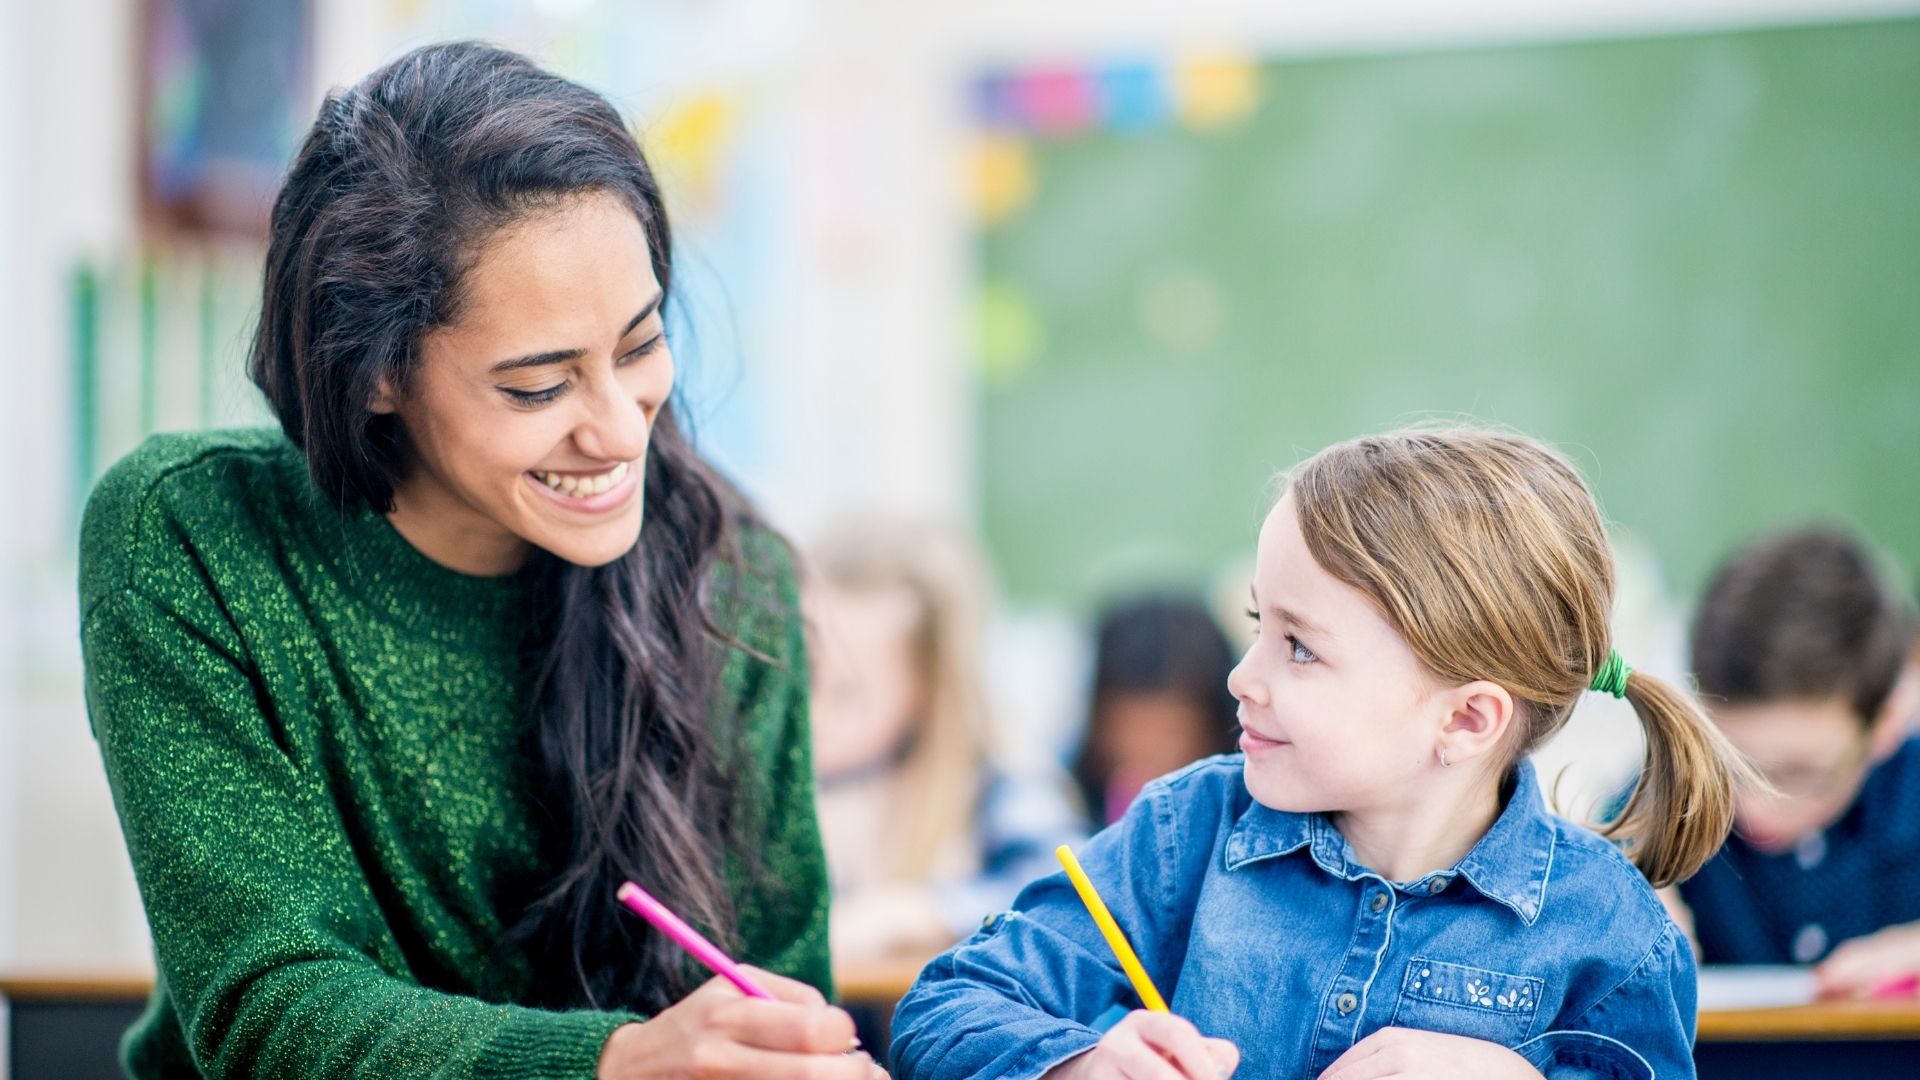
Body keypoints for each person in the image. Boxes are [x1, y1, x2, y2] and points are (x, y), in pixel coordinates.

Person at [79, 42, 877, 1079]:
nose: (621, 432)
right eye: (540, 388)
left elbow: (774, 984)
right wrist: (618, 1063)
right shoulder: (190, 538)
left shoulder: (731, 577)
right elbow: (267, 1008)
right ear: (374, 377)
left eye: (639, 347)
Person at [890, 427, 1755, 1080]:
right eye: (1261, 626)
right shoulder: (1181, 837)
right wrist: (1083, 1065)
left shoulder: (1610, 935)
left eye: (1300, 648)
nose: (1240, 677)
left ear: (1465, 721)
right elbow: (940, 1010)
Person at [805, 520, 1086, 962]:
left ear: (931, 689)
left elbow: (1075, 896)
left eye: (844, 692)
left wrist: (913, 913)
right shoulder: (769, 779)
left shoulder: (998, 778)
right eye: (798, 674)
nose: (809, 710)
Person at [1675, 527, 1920, 995]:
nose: (1754, 806)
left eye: (1801, 774)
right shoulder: (1663, 798)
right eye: (1731, 764)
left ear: (1886, 722)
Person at [1070, 593, 1242, 827]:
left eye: (1172, 733)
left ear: (1215, 728)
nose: (1146, 753)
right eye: (1129, 728)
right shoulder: (1063, 804)